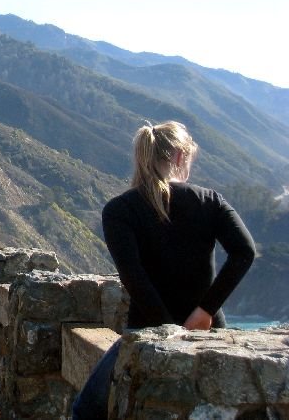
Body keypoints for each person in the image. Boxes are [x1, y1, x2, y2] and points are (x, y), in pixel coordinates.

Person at [72, 120, 256, 419]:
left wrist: (165, 329)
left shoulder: (120, 210)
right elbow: (244, 252)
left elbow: (134, 277)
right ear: (181, 157)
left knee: (87, 411)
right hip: (209, 334)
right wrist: (204, 311)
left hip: (145, 333)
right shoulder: (210, 201)